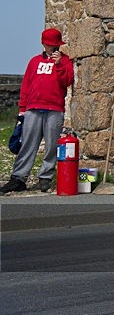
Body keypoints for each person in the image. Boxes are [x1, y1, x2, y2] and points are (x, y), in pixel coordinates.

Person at [1, 28, 75, 194]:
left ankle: (45, 177)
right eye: (50, 45)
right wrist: (22, 109)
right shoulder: (34, 62)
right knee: (28, 144)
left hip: (55, 109)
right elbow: (26, 85)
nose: (53, 48)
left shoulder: (65, 61)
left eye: (56, 45)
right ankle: (18, 178)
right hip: (33, 108)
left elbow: (67, 81)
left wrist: (59, 65)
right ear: (44, 44)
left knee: (51, 146)